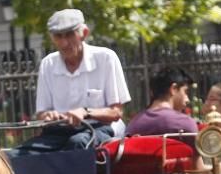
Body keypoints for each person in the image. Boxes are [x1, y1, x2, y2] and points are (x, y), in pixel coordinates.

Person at [18, 8, 131, 152]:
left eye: (70, 35)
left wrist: (85, 112)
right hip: (58, 131)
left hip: (100, 129)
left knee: (77, 143)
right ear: (52, 38)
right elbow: (42, 114)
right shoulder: (48, 64)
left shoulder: (106, 58)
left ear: (84, 33)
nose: (64, 43)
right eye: (58, 36)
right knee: (21, 154)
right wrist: (49, 115)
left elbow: (116, 113)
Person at [126, 67, 199, 138]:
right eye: (185, 91)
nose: (188, 100)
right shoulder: (185, 124)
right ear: (173, 89)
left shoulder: (133, 124)